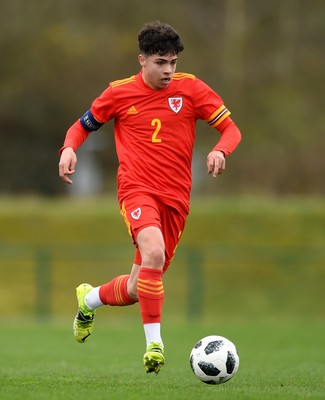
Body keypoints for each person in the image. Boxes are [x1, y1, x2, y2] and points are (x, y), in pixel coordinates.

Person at [58, 21, 241, 375]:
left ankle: (89, 299)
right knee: (153, 252)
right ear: (142, 60)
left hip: (176, 199)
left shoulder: (191, 89)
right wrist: (69, 148)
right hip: (136, 188)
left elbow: (230, 129)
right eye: (160, 62)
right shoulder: (119, 93)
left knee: (139, 286)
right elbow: (82, 126)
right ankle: (154, 346)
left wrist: (221, 150)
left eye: (172, 62)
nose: (168, 70)